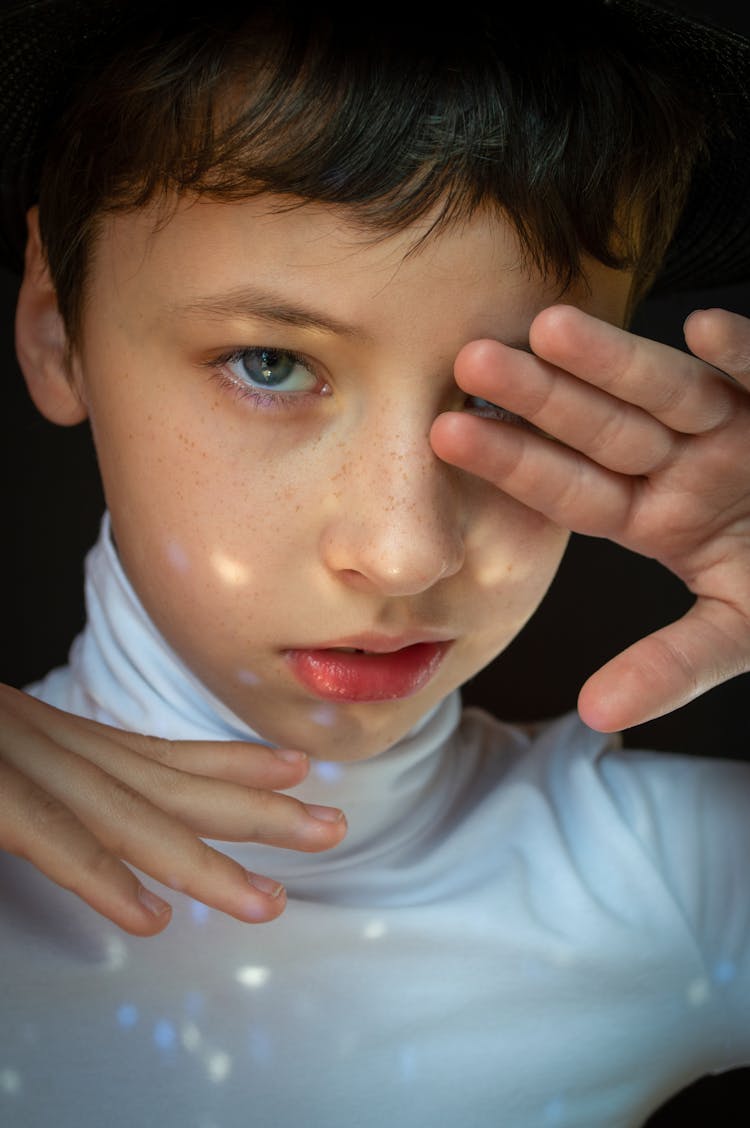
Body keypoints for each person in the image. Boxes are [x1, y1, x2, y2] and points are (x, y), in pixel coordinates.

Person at [0, 1, 749, 1124]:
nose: (405, 553)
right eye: (268, 362)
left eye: (512, 400)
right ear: (59, 329)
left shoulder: (680, 885)